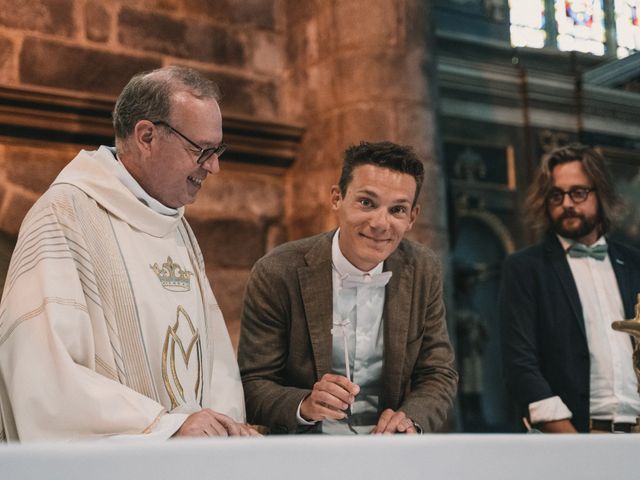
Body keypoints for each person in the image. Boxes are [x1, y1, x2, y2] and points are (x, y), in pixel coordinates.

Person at [0, 66, 257, 441]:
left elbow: (211, 355)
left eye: (217, 151)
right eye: (201, 150)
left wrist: (225, 428)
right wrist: (163, 428)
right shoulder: (64, 215)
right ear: (147, 136)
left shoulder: (176, 227)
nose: (213, 167)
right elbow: (40, 368)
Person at [238, 141, 458, 434]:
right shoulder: (277, 272)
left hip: (390, 456)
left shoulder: (423, 269)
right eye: (367, 202)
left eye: (397, 210)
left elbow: (438, 373)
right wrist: (304, 403)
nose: (381, 223)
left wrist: (409, 421)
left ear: (412, 217)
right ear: (337, 198)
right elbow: (253, 384)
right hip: (304, 455)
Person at [500, 143, 640, 434]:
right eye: (556, 195)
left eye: (578, 192)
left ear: (601, 193)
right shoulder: (525, 268)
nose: (567, 203)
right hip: (573, 435)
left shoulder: (635, 262)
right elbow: (520, 364)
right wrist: (571, 443)